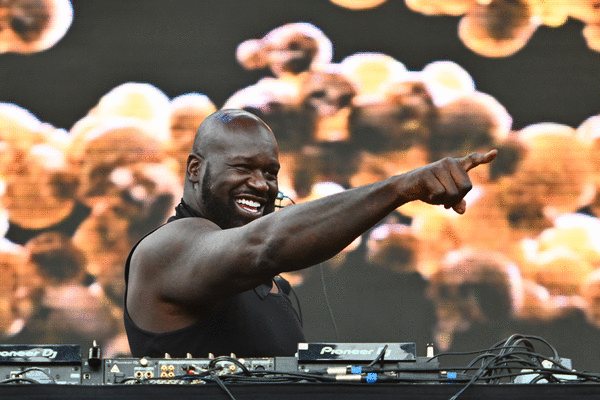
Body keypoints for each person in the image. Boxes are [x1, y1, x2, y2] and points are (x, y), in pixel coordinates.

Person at [124, 108, 497, 358]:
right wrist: (401, 188)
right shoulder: (166, 249)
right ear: (194, 169)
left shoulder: (270, 285)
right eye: (242, 168)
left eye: (270, 173)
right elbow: (264, 245)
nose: (261, 184)